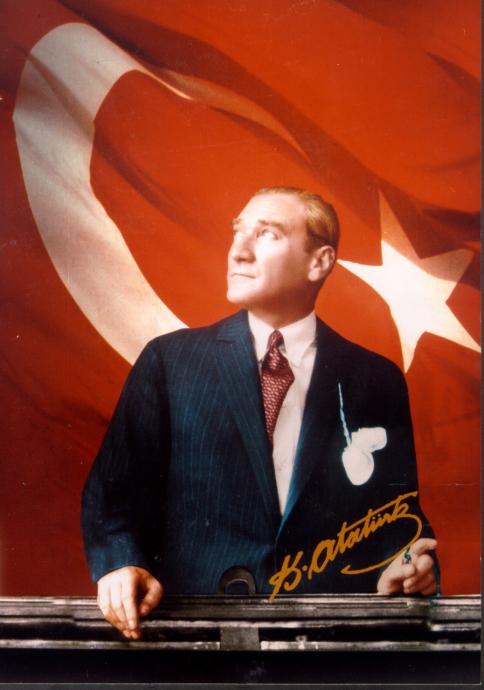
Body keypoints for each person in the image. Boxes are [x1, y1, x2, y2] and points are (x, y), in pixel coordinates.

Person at [81, 187, 438, 640]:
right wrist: (120, 563)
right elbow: (112, 493)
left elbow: (398, 518)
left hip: (328, 644)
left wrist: (403, 569)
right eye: (238, 232)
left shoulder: (377, 378)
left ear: (319, 262)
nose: (238, 251)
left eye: (267, 234)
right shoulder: (169, 362)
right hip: (194, 641)